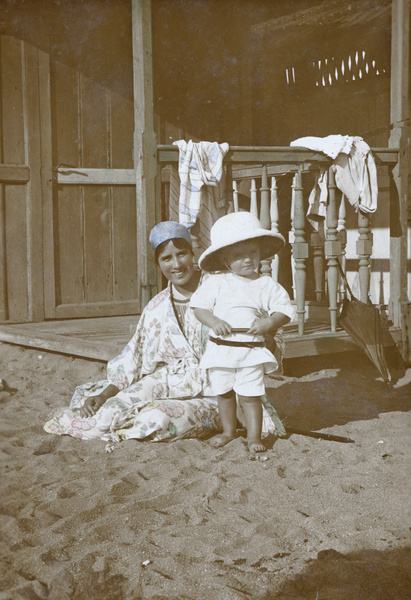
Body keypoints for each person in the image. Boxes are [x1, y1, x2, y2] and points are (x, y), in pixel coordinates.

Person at [44, 221, 221, 445]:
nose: (176, 264)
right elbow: (134, 358)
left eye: (182, 254)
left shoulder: (218, 291)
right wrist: (105, 395)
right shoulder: (157, 307)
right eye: (166, 258)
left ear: (193, 253)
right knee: (108, 411)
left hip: (215, 389)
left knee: (157, 420)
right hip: (169, 380)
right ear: (158, 262)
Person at [190, 212, 295, 454]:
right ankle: (228, 431)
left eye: (253, 253)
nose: (247, 260)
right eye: (238, 256)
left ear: (260, 254)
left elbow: (285, 311)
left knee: (251, 395)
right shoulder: (217, 282)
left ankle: (253, 436)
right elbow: (199, 308)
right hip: (221, 349)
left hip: (250, 352)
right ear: (225, 260)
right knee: (224, 393)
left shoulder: (266, 284)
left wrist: (269, 323)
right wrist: (214, 321)